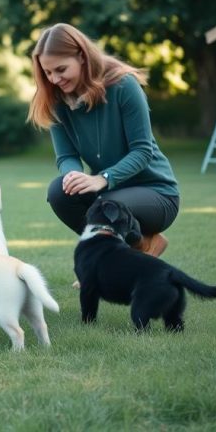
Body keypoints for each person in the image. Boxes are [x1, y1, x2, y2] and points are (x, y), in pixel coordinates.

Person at [27, 23, 179, 258]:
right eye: (47, 73)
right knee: (59, 192)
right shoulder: (56, 99)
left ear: (82, 56)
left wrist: (103, 178)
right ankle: (137, 246)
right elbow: (66, 156)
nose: (54, 79)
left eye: (61, 69)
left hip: (156, 193)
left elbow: (142, 151)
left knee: (104, 206)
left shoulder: (123, 85)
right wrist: (72, 176)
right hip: (106, 193)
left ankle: (120, 253)